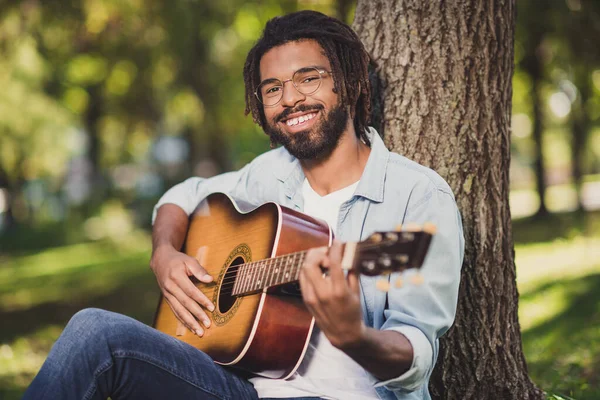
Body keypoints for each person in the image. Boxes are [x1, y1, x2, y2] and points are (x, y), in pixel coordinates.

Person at [24, 10, 463, 400]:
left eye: (308, 78)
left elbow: (417, 351)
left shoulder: (418, 196)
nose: (289, 99)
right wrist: (164, 255)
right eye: (272, 88)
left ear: (347, 83)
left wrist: (355, 337)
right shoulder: (269, 173)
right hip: (240, 387)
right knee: (94, 331)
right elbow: (181, 196)